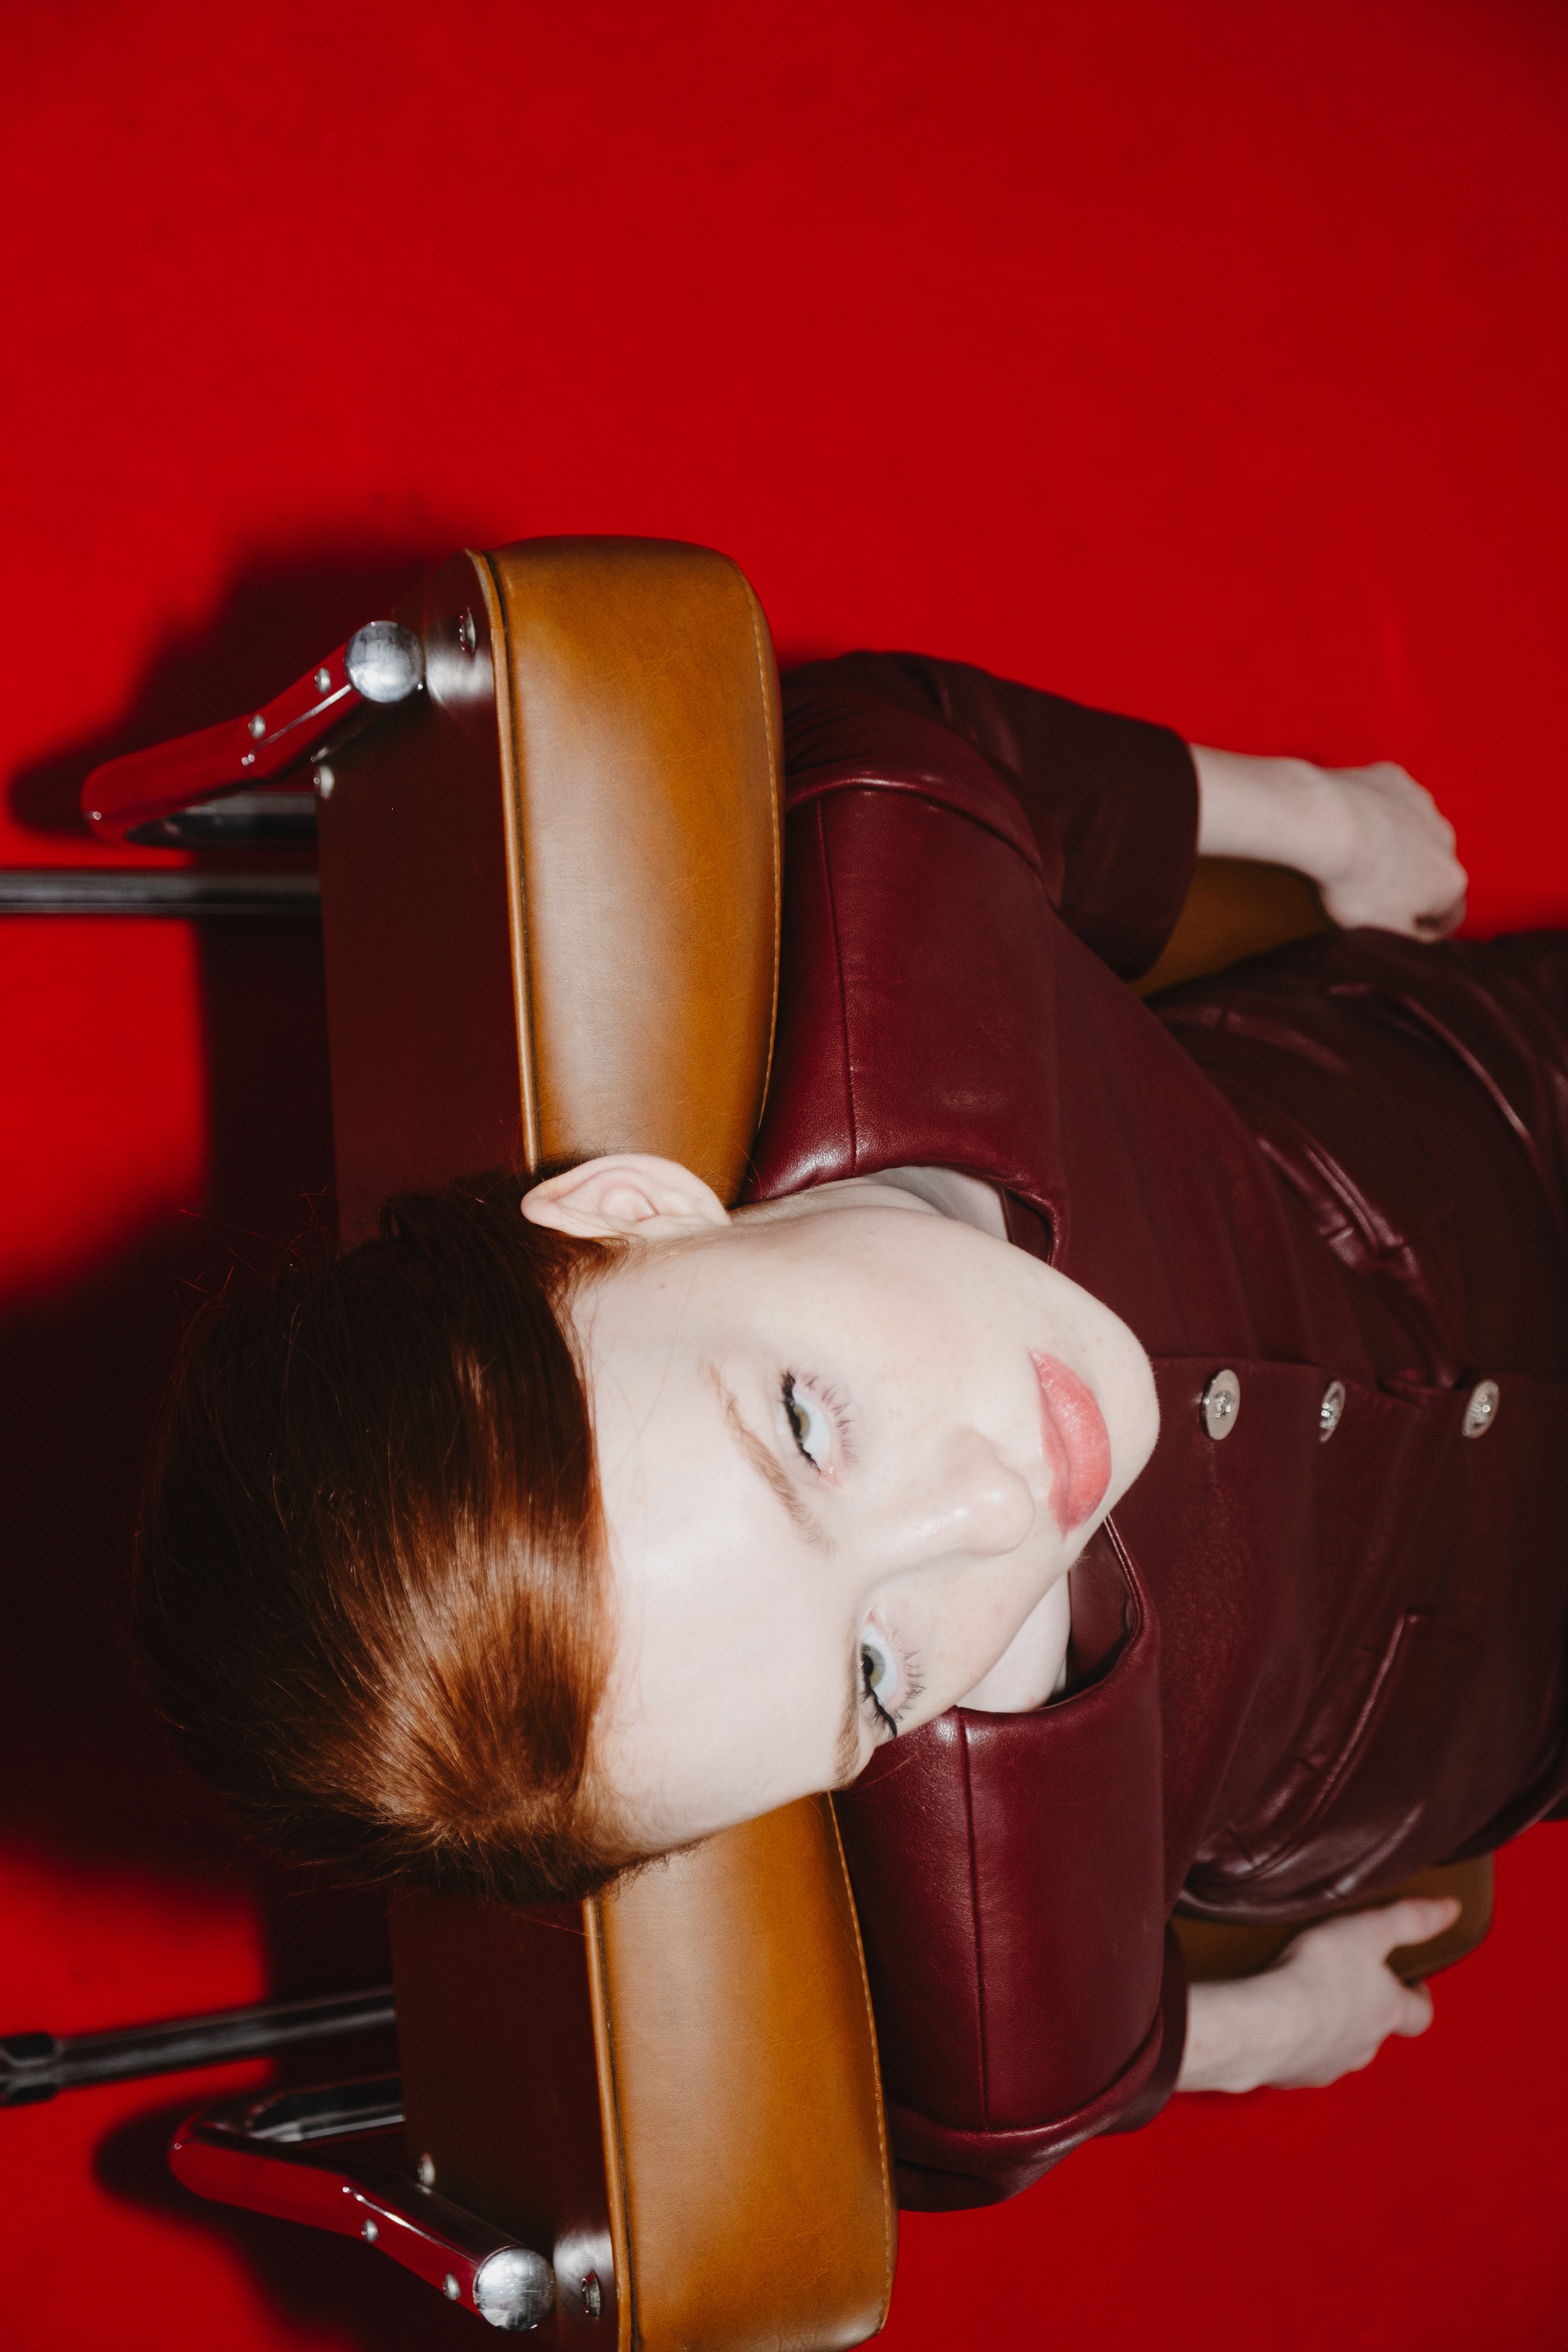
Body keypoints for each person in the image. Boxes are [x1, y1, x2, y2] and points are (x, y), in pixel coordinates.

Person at [134, 651, 1568, 2209]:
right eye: (874, 1677)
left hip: (1485, 1102)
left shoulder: (893, 897)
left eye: (807, 1429)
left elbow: (914, 739)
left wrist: (1322, 820)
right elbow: (1025, 2109)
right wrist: (1262, 2033)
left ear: (632, 1214)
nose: (995, 1515)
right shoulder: (1005, 1952)